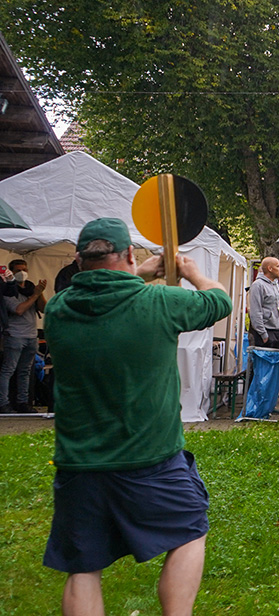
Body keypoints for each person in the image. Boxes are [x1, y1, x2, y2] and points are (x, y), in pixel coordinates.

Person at [42, 218, 231, 616]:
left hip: (81, 464)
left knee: (83, 568)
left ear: (78, 261)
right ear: (129, 254)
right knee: (189, 532)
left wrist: (142, 272)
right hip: (153, 459)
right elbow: (219, 302)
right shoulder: (159, 303)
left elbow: (107, 290)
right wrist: (191, 271)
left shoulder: (59, 310)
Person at [2, 267, 46, 413]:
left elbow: (44, 308)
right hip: (15, 335)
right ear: (12, 272)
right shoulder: (9, 290)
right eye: (19, 269)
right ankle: (4, 403)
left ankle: (23, 402)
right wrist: (35, 295)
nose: (23, 272)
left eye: (25, 269)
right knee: (8, 370)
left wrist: (40, 293)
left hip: (31, 335)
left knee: (25, 371)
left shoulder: (30, 289)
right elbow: (19, 310)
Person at [248, 257, 279, 348]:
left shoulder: (276, 285)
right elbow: (255, 312)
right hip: (266, 332)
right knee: (264, 361)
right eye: (278, 266)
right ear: (270, 269)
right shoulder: (258, 285)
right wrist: (263, 334)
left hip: (278, 331)